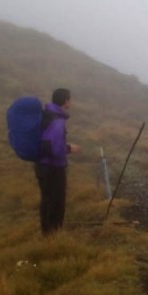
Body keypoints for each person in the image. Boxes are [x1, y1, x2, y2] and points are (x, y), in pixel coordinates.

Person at [35, 88, 81, 236]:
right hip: (53, 167)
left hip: (41, 165)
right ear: (66, 101)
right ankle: (53, 237)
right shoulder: (57, 121)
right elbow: (54, 148)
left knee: (46, 199)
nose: (71, 102)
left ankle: (46, 233)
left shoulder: (46, 114)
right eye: (70, 99)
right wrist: (69, 148)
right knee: (56, 203)